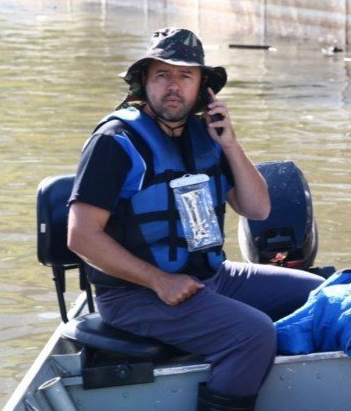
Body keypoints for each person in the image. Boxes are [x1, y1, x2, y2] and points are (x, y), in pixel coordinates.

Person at [67, 27, 324, 410]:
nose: (174, 86)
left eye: (185, 76)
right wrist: (160, 281)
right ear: (144, 83)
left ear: (203, 87)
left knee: (318, 292)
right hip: (135, 294)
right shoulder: (116, 142)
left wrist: (230, 144)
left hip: (211, 278)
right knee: (253, 334)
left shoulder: (207, 136)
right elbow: (81, 236)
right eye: (162, 75)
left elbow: (258, 209)